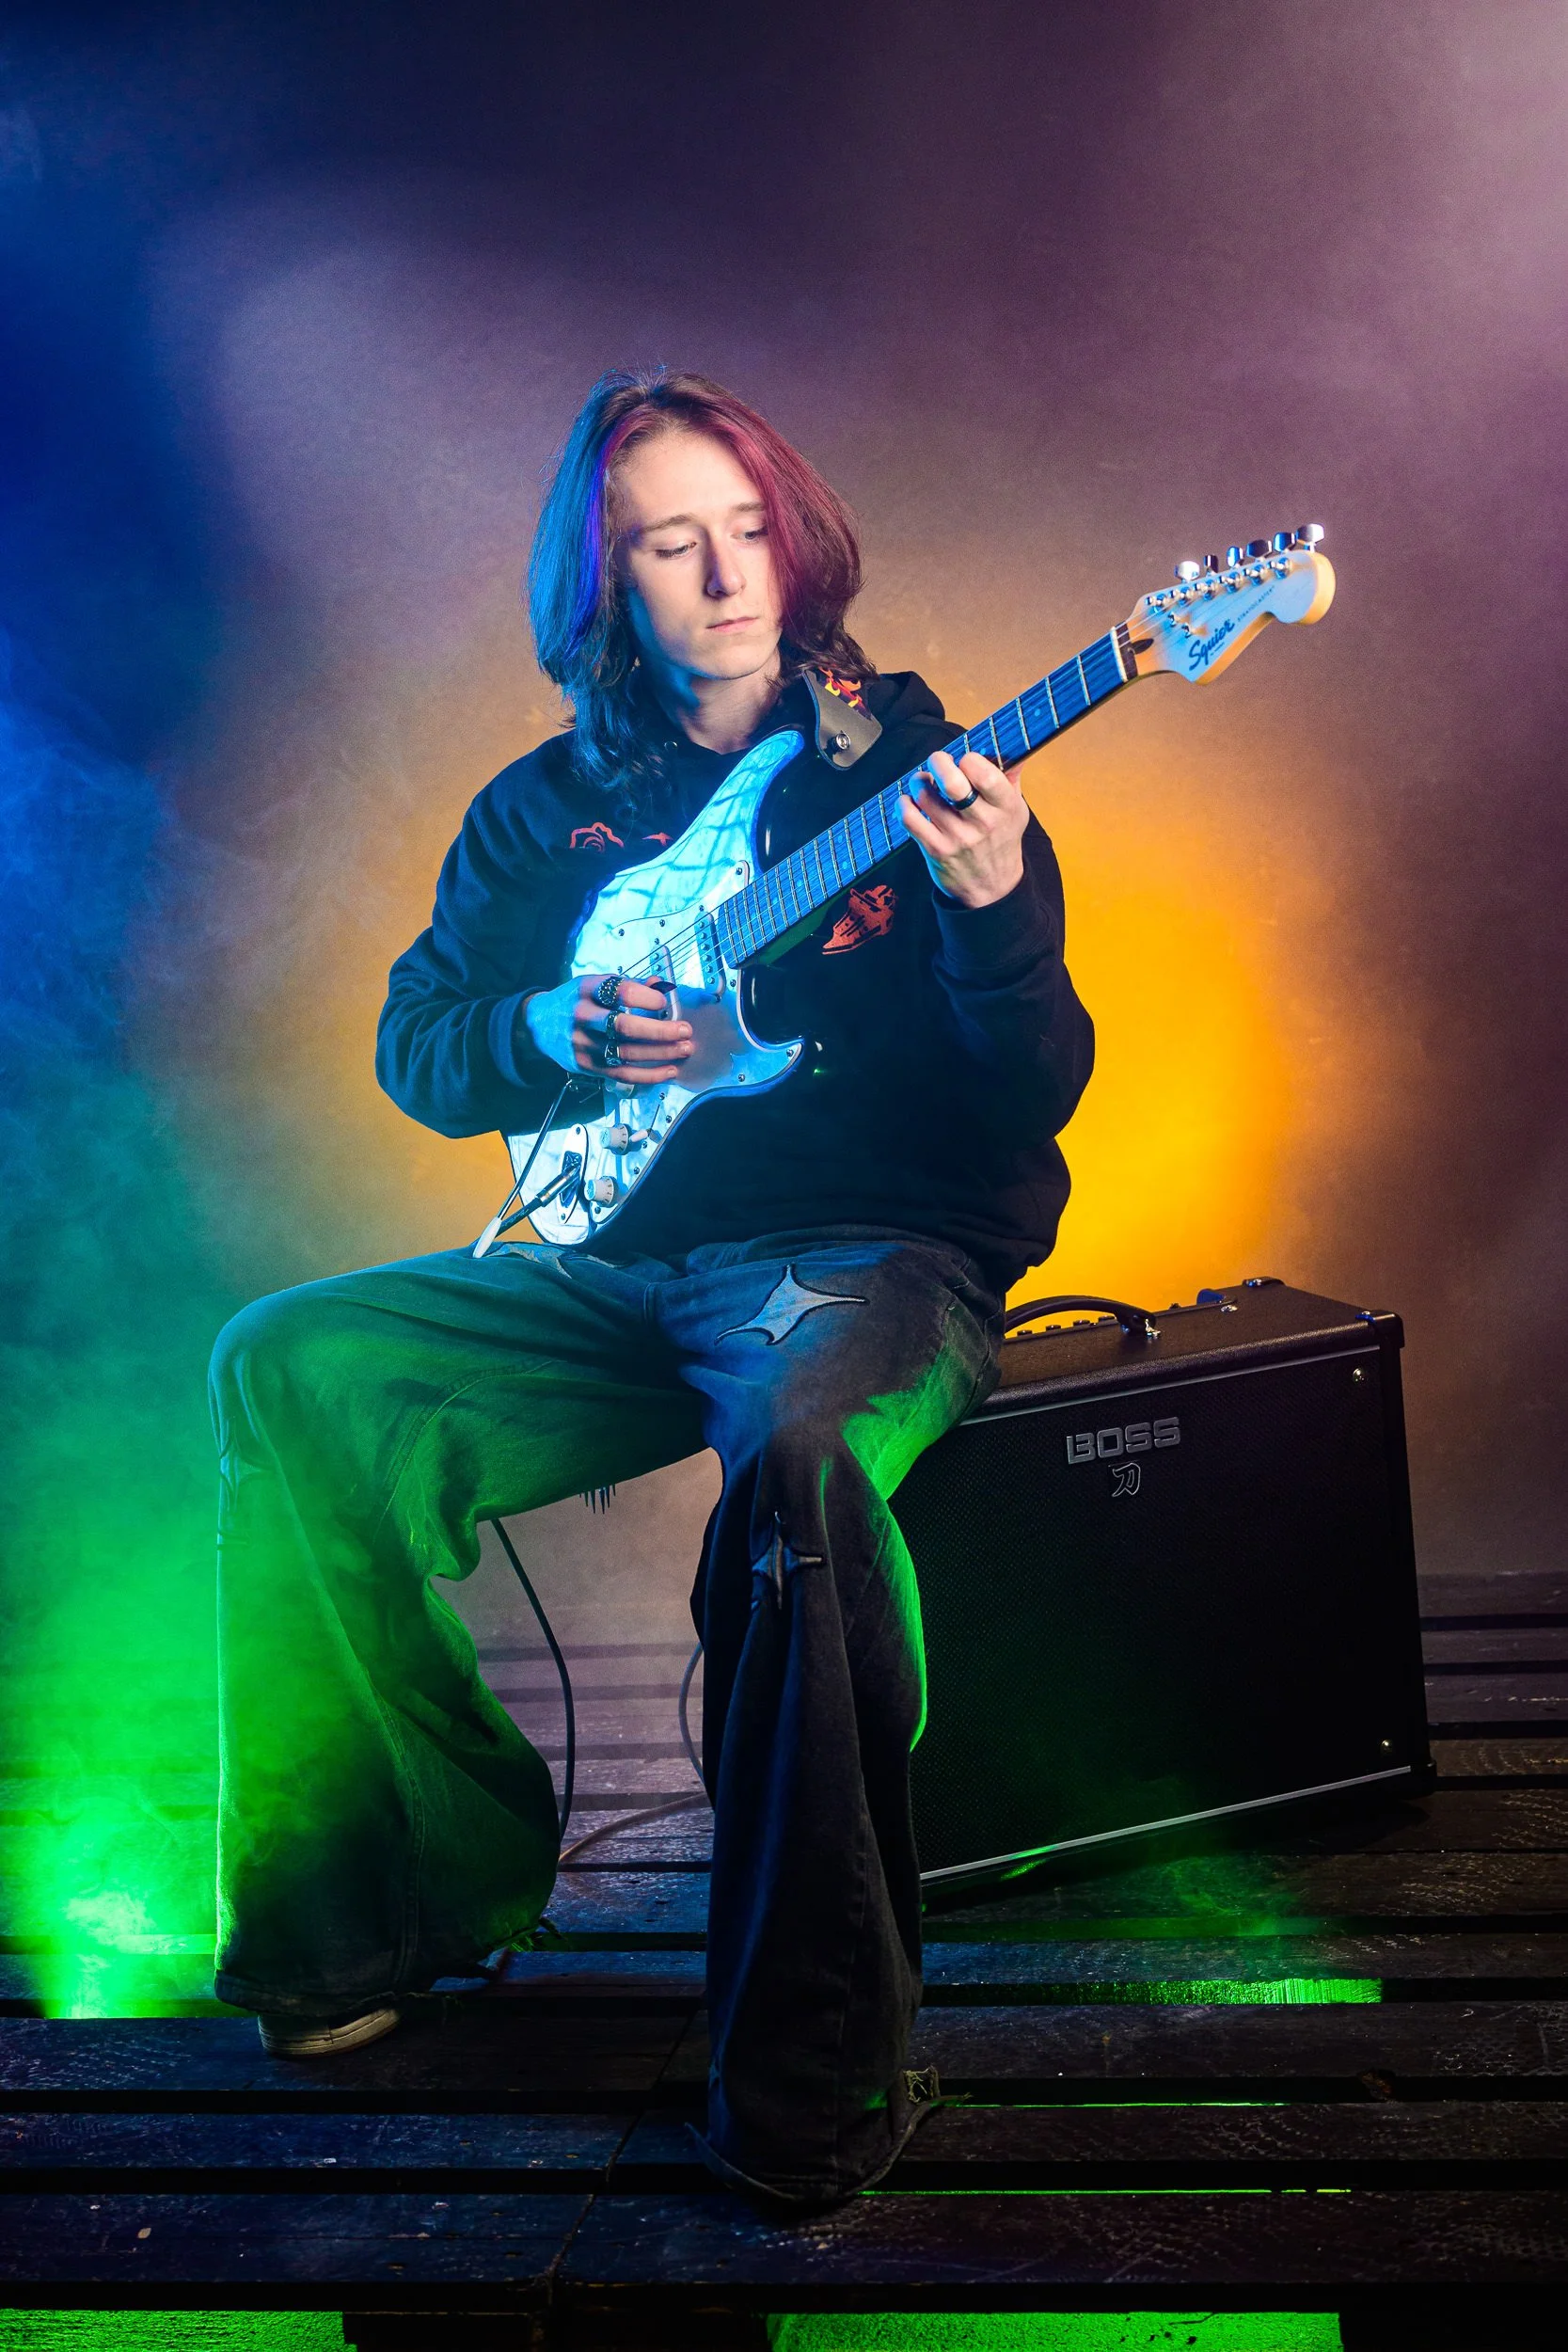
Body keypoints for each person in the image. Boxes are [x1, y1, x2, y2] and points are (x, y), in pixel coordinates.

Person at [209, 368, 1094, 2211]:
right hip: (615, 1263)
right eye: (665, 542)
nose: (721, 575)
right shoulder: (541, 816)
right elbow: (418, 1044)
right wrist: (546, 1025)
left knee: (800, 1463)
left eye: (745, 527)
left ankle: (806, 2079)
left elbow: (1023, 1084)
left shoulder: (914, 767)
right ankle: (382, 1910)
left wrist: (995, 905)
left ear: (799, 534)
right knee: (288, 1364)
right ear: (600, 579)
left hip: (866, 1252)